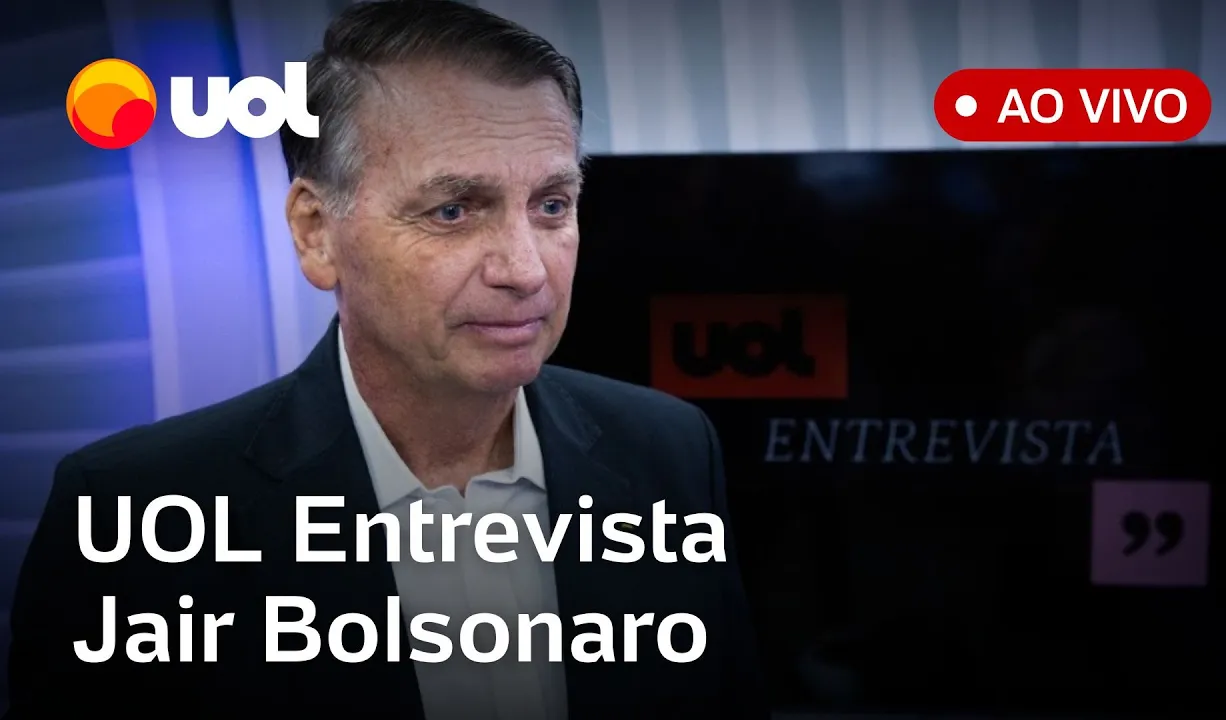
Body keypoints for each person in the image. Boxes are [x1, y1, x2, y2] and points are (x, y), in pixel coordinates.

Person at [5, 1, 763, 717]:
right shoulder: (132, 512)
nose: (526, 269)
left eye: (551, 205)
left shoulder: (669, 453)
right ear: (315, 232)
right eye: (453, 210)